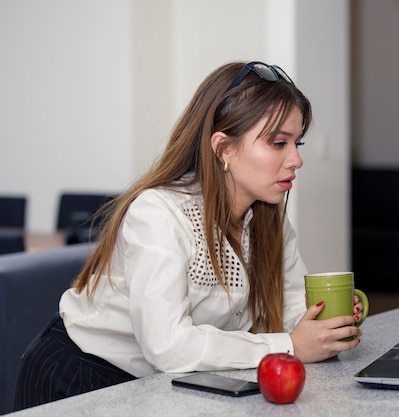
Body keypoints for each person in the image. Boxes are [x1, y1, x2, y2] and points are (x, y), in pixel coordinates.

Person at [13, 61, 363, 410]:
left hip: (164, 381)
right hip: (81, 375)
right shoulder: (159, 213)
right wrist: (289, 345)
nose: (297, 160)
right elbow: (168, 346)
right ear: (224, 149)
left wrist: (324, 325)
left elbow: (289, 306)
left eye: (297, 142)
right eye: (278, 143)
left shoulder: (268, 220)